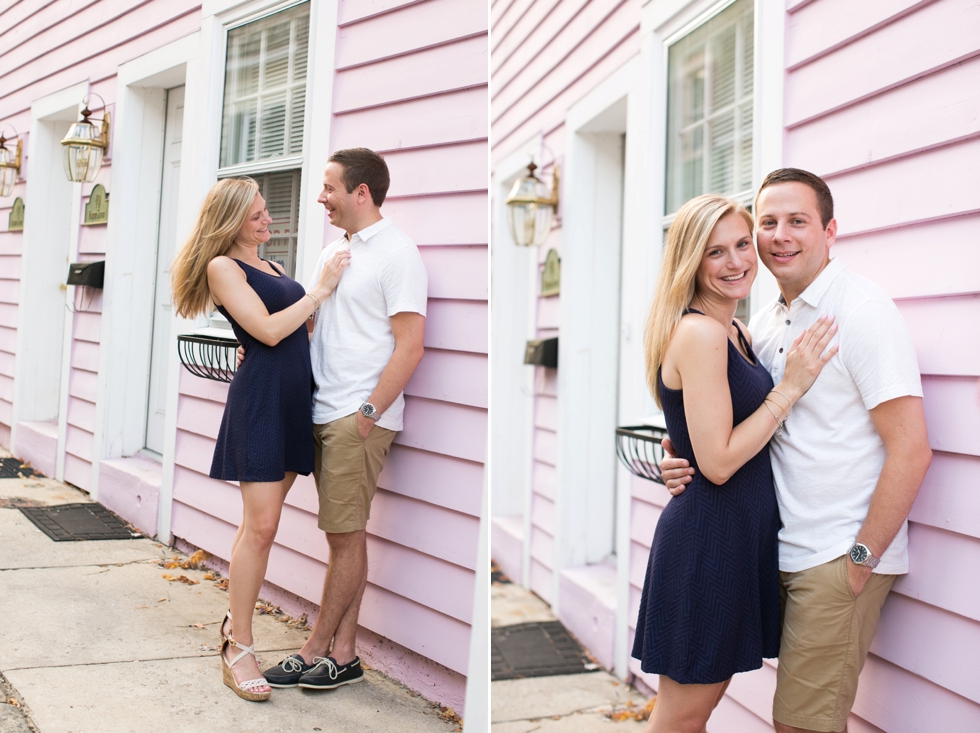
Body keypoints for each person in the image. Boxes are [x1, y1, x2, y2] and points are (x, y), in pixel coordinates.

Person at [659, 169, 933, 733]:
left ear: (830, 230)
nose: (778, 236)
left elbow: (911, 450)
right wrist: (678, 449)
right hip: (768, 549)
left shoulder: (862, 313)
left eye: (797, 221)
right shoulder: (756, 323)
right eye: (767, 223)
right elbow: (727, 426)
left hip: (836, 553)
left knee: (802, 726)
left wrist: (861, 562)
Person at [633, 193, 838, 733]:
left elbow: (701, 434)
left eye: (742, 245)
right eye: (714, 252)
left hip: (733, 538)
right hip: (707, 542)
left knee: (693, 713)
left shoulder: (736, 332)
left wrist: (674, 449)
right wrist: (788, 389)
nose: (737, 262)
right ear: (691, 262)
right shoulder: (701, 333)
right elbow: (720, 463)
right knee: (681, 718)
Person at [170, 177, 350, 702]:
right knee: (262, 526)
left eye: (266, 212)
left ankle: (234, 625)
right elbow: (268, 331)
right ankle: (238, 645)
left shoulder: (271, 268)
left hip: (295, 399)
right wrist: (319, 290)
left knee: (261, 525)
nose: (267, 221)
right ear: (230, 221)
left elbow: (292, 330)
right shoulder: (223, 266)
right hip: (260, 403)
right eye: (256, 216)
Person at [260, 148, 427, 691]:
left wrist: (369, 413)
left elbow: (410, 345)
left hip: (356, 415)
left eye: (329, 187)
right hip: (319, 406)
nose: (320, 197)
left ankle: (313, 649)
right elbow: (314, 325)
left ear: (361, 191)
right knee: (345, 539)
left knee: (344, 535)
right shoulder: (336, 252)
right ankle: (346, 654)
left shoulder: (398, 254)